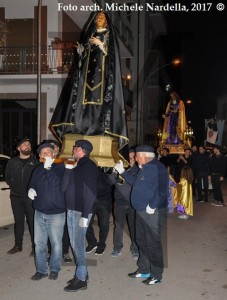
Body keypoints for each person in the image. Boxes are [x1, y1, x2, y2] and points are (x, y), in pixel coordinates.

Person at [49, 11, 128, 152]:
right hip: (87, 79)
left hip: (102, 80)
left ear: (106, 22)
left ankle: (98, 129)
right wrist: (80, 51)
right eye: (97, 17)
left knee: (98, 105)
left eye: (102, 17)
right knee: (82, 104)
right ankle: (81, 128)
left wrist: (101, 45)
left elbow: (112, 57)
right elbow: (84, 56)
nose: (99, 19)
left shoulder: (109, 36)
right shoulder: (90, 36)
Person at [114, 145, 168, 285]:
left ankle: (156, 274)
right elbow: (136, 183)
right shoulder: (145, 167)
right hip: (140, 211)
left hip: (152, 212)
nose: (135, 158)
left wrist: (152, 205)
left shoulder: (156, 167)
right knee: (141, 240)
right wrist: (122, 172)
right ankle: (144, 269)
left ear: (143, 156)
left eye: (136, 156)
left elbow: (163, 190)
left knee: (152, 243)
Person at [61, 140, 99, 292]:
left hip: (80, 212)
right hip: (71, 210)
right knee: (75, 244)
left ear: (82, 150)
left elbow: (91, 192)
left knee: (77, 245)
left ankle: (81, 279)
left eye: (75, 147)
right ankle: (82, 273)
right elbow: (64, 188)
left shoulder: (88, 166)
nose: (73, 149)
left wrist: (85, 215)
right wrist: (68, 170)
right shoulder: (75, 165)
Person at [28, 143, 66, 281]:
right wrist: (30, 189)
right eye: (42, 153)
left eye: (48, 152)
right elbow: (32, 183)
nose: (45, 154)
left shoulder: (61, 168)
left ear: (54, 154)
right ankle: (41, 270)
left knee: (55, 243)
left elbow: (58, 185)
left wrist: (48, 168)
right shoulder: (37, 169)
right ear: (39, 156)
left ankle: (55, 269)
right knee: (39, 244)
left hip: (56, 214)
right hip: (39, 212)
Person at [5, 137, 38, 255]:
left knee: (32, 222)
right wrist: (15, 186)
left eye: (28, 144)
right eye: (24, 144)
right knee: (18, 222)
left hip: (30, 198)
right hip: (16, 197)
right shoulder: (12, 162)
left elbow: (38, 179)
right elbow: (7, 177)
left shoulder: (35, 162)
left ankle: (35, 247)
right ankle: (18, 245)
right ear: (19, 148)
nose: (27, 146)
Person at [45, 139, 72, 263]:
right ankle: (52, 253)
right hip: (49, 201)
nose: (53, 149)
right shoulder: (43, 163)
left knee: (64, 229)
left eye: (55, 147)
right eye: (51, 148)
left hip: (63, 201)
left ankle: (64, 252)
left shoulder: (63, 163)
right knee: (51, 230)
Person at [110, 148, 139, 258]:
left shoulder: (137, 170)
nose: (130, 160)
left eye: (132, 158)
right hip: (119, 203)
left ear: (136, 159)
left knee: (133, 227)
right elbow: (110, 182)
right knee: (118, 226)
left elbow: (135, 183)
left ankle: (135, 248)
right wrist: (113, 172)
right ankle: (117, 248)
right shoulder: (118, 168)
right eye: (128, 158)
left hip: (132, 203)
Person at [86, 169, 112, 255]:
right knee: (86, 223)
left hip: (104, 202)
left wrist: (114, 172)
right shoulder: (89, 172)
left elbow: (112, 182)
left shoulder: (107, 173)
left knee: (104, 224)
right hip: (91, 201)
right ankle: (92, 242)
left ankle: (101, 245)